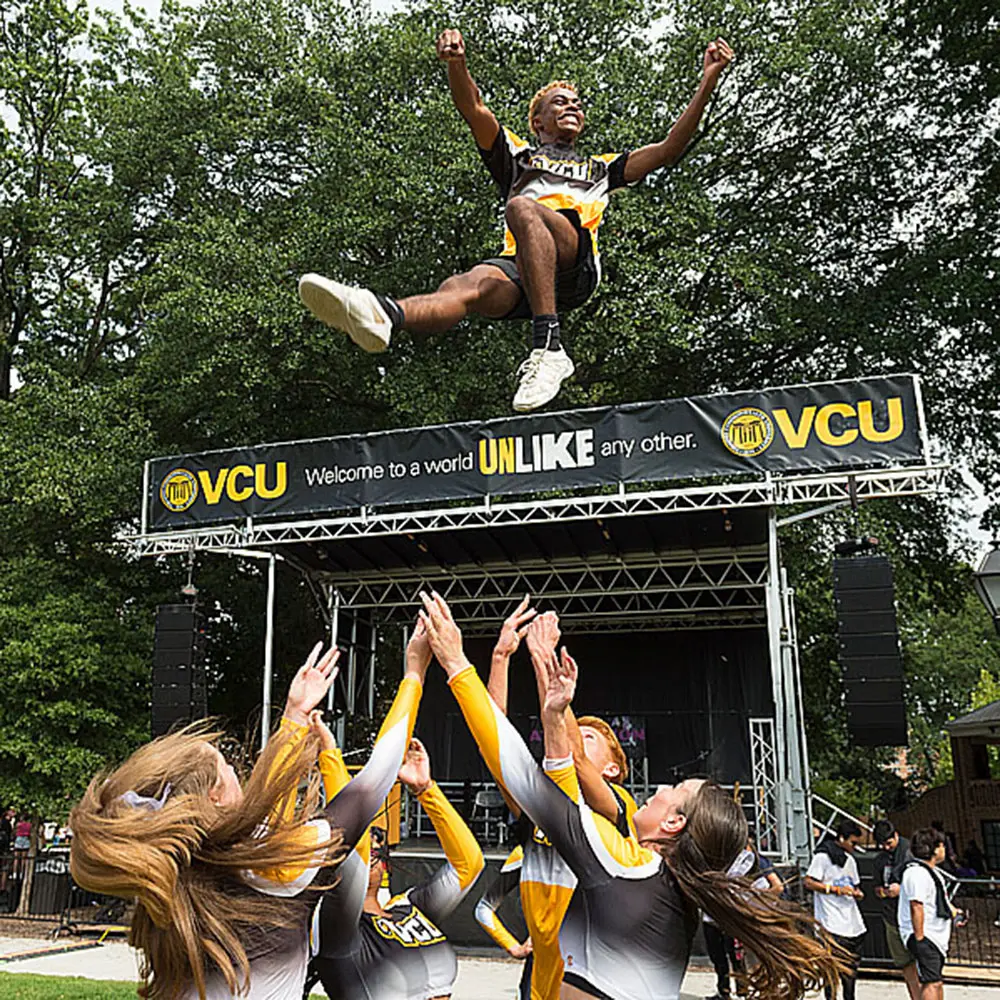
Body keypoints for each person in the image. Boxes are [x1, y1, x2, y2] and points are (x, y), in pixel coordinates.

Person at [419, 591, 846, 1000]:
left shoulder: (621, 843)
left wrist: (460, 661)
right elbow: (528, 760)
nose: (660, 787)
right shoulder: (675, 893)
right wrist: (512, 667)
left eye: (674, 790)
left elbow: (532, 766)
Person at [298, 30, 735, 413]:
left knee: (523, 209)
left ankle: (548, 345)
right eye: (560, 103)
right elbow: (474, 108)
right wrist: (457, 64)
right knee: (466, 285)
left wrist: (708, 80)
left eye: (577, 104)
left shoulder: (603, 168)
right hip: (524, 269)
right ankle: (385, 315)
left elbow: (669, 148)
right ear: (537, 120)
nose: (573, 107)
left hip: (574, 270)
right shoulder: (518, 156)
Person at [70, 630, 427, 1000]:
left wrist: (295, 717)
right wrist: (414, 674)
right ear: (215, 795)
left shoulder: (171, 886)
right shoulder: (280, 870)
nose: (236, 769)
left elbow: (260, 820)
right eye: (226, 764)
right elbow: (375, 778)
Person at [479, 603, 638, 1000]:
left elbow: (574, 759)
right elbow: (495, 739)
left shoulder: (617, 807)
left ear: (614, 769)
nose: (573, 734)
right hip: (539, 983)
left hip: (593, 981)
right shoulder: (539, 808)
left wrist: (543, 658)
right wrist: (500, 658)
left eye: (588, 736)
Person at [306, 732, 484, 1000]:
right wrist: (330, 756)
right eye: (367, 847)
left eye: (378, 849)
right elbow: (354, 854)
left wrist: (425, 790)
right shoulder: (336, 929)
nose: (370, 853)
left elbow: (468, 866)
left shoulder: (408, 908)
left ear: (386, 868)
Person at [703, 839, 783, 999]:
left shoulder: (757, 861)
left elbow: (778, 887)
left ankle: (745, 991)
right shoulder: (722, 859)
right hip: (715, 916)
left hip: (739, 917)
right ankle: (725, 992)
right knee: (719, 958)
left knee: (740, 957)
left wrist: (752, 898)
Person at [803, 820, 867, 1000]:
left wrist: (856, 893)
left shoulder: (850, 860)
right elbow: (808, 882)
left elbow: (854, 885)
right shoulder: (822, 858)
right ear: (841, 838)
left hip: (852, 923)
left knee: (850, 973)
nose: (854, 847)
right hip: (831, 923)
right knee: (831, 971)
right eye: (852, 843)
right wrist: (834, 889)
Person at [899, 827, 963, 1000]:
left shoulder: (932, 873)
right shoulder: (916, 873)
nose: (944, 850)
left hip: (936, 936)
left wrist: (955, 914)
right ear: (935, 849)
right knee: (931, 982)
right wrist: (920, 939)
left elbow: (937, 901)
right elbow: (916, 905)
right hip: (926, 936)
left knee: (936, 981)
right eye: (942, 846)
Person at [873, 819, 920, 1000]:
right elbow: (876, 887)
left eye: (888, 843)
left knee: (921, 962)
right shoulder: (880, 859)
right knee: (904, 962)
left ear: (896, 835)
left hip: (912, 916)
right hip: (891, 917)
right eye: (881, 844)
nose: (885, 847)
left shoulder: (911, 852)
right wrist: (883, 892)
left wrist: (901, 889)